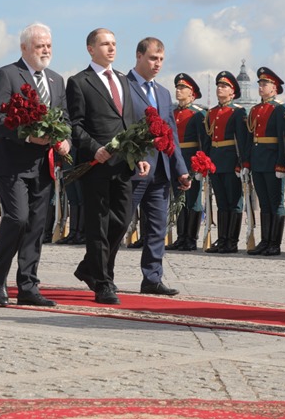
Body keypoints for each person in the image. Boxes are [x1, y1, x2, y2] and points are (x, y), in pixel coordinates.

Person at [0, 23, 71, 306]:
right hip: (13, 163)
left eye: (48, 45)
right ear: (24, 48)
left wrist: (64, 139)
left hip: (44, 165)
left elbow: (65, 119)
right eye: (39, 46)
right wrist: (28, 136)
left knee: (36, 226)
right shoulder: (6, 75)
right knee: (18, 218)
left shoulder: (57, 80)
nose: (45, 50)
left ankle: (28, 286)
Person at [67, 28, 149, 305]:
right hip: (95, 164)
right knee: (98, 225)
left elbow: (129, 122)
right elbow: (74, 125)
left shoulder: (123, 80)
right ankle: (103, 281)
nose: (111, 48)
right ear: (91, 49)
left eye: (114, 44)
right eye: (105, 44)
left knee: (122, 220)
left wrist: (138, 155)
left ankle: (89, 268)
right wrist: (94, 148)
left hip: (123, 164)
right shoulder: (79, 82)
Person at [125, 37, 191, 295]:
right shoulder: (123, 86)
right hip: (133, 169)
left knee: (156, 226)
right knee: (119, 224)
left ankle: (152, 278)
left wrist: (181, 169)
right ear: (139, 56)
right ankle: (101, 273)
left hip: (160, 170)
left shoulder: (163, 93)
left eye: (161, 59)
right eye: (153, 58)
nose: (157, 64)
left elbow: (171, 134)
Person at [245, 67, 285, 256]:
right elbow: (250, 139)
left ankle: (275, 243)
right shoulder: (255, 110)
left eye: (265, 84)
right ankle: (265, 241)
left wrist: (282, 163)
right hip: (258, 161)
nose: (261, 87)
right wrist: (247, 162)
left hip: (273, 161)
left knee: (276, 202)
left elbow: (284, 139)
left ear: (275, 88)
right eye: (260, 84)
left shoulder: (280, 108)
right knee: (264, 203)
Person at [203, 71, 246, 254]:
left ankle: (232, 241)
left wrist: (241, 163)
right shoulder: (211, 112)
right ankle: (222, 239)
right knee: (221, 202)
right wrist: (204, 162)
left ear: (232, 92)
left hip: (230, 161)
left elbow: (242, 141)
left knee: (233, 202)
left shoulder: (238, 112)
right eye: (219, 85)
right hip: (215, 161)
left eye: (224, 86)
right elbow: (207, 140)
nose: (220, 88)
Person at [166, 73, 206, 252]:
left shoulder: (198, 114)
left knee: (193, 200)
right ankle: (181, 236)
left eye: (183, 88)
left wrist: (201, 165)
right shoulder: (172, 113)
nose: (178, 90)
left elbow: (203, 141)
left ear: (192, 94)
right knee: (178, 199)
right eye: (177, 87)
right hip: (175, 160)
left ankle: (191, 237)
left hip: (191, 161)